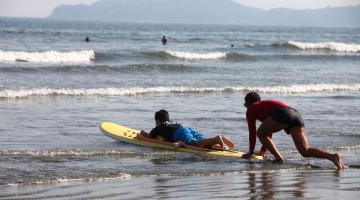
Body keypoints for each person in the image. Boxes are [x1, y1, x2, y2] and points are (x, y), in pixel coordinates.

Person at [242, 92, 345, 169]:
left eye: (245, 105)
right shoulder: (264, 106)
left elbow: (252, 131)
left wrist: (251, 152)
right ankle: (333, 156)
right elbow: (268, 133)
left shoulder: (252, 109)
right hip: (295, 114)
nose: (246, 107)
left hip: (282, 113)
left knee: (259, 133)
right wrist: (262, 152)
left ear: (249, 103)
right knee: (304, 151)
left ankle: (279, 159)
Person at [140, 109, 235, 150]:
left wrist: (142, 133)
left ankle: (217, 138)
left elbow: (149, 136)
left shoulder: (158, 127)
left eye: (155, 122)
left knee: (195, 143)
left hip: (180, 133)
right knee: (201, 141)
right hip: (185, 128)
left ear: (157, 120)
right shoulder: (172, 122)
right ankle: (220, 141)